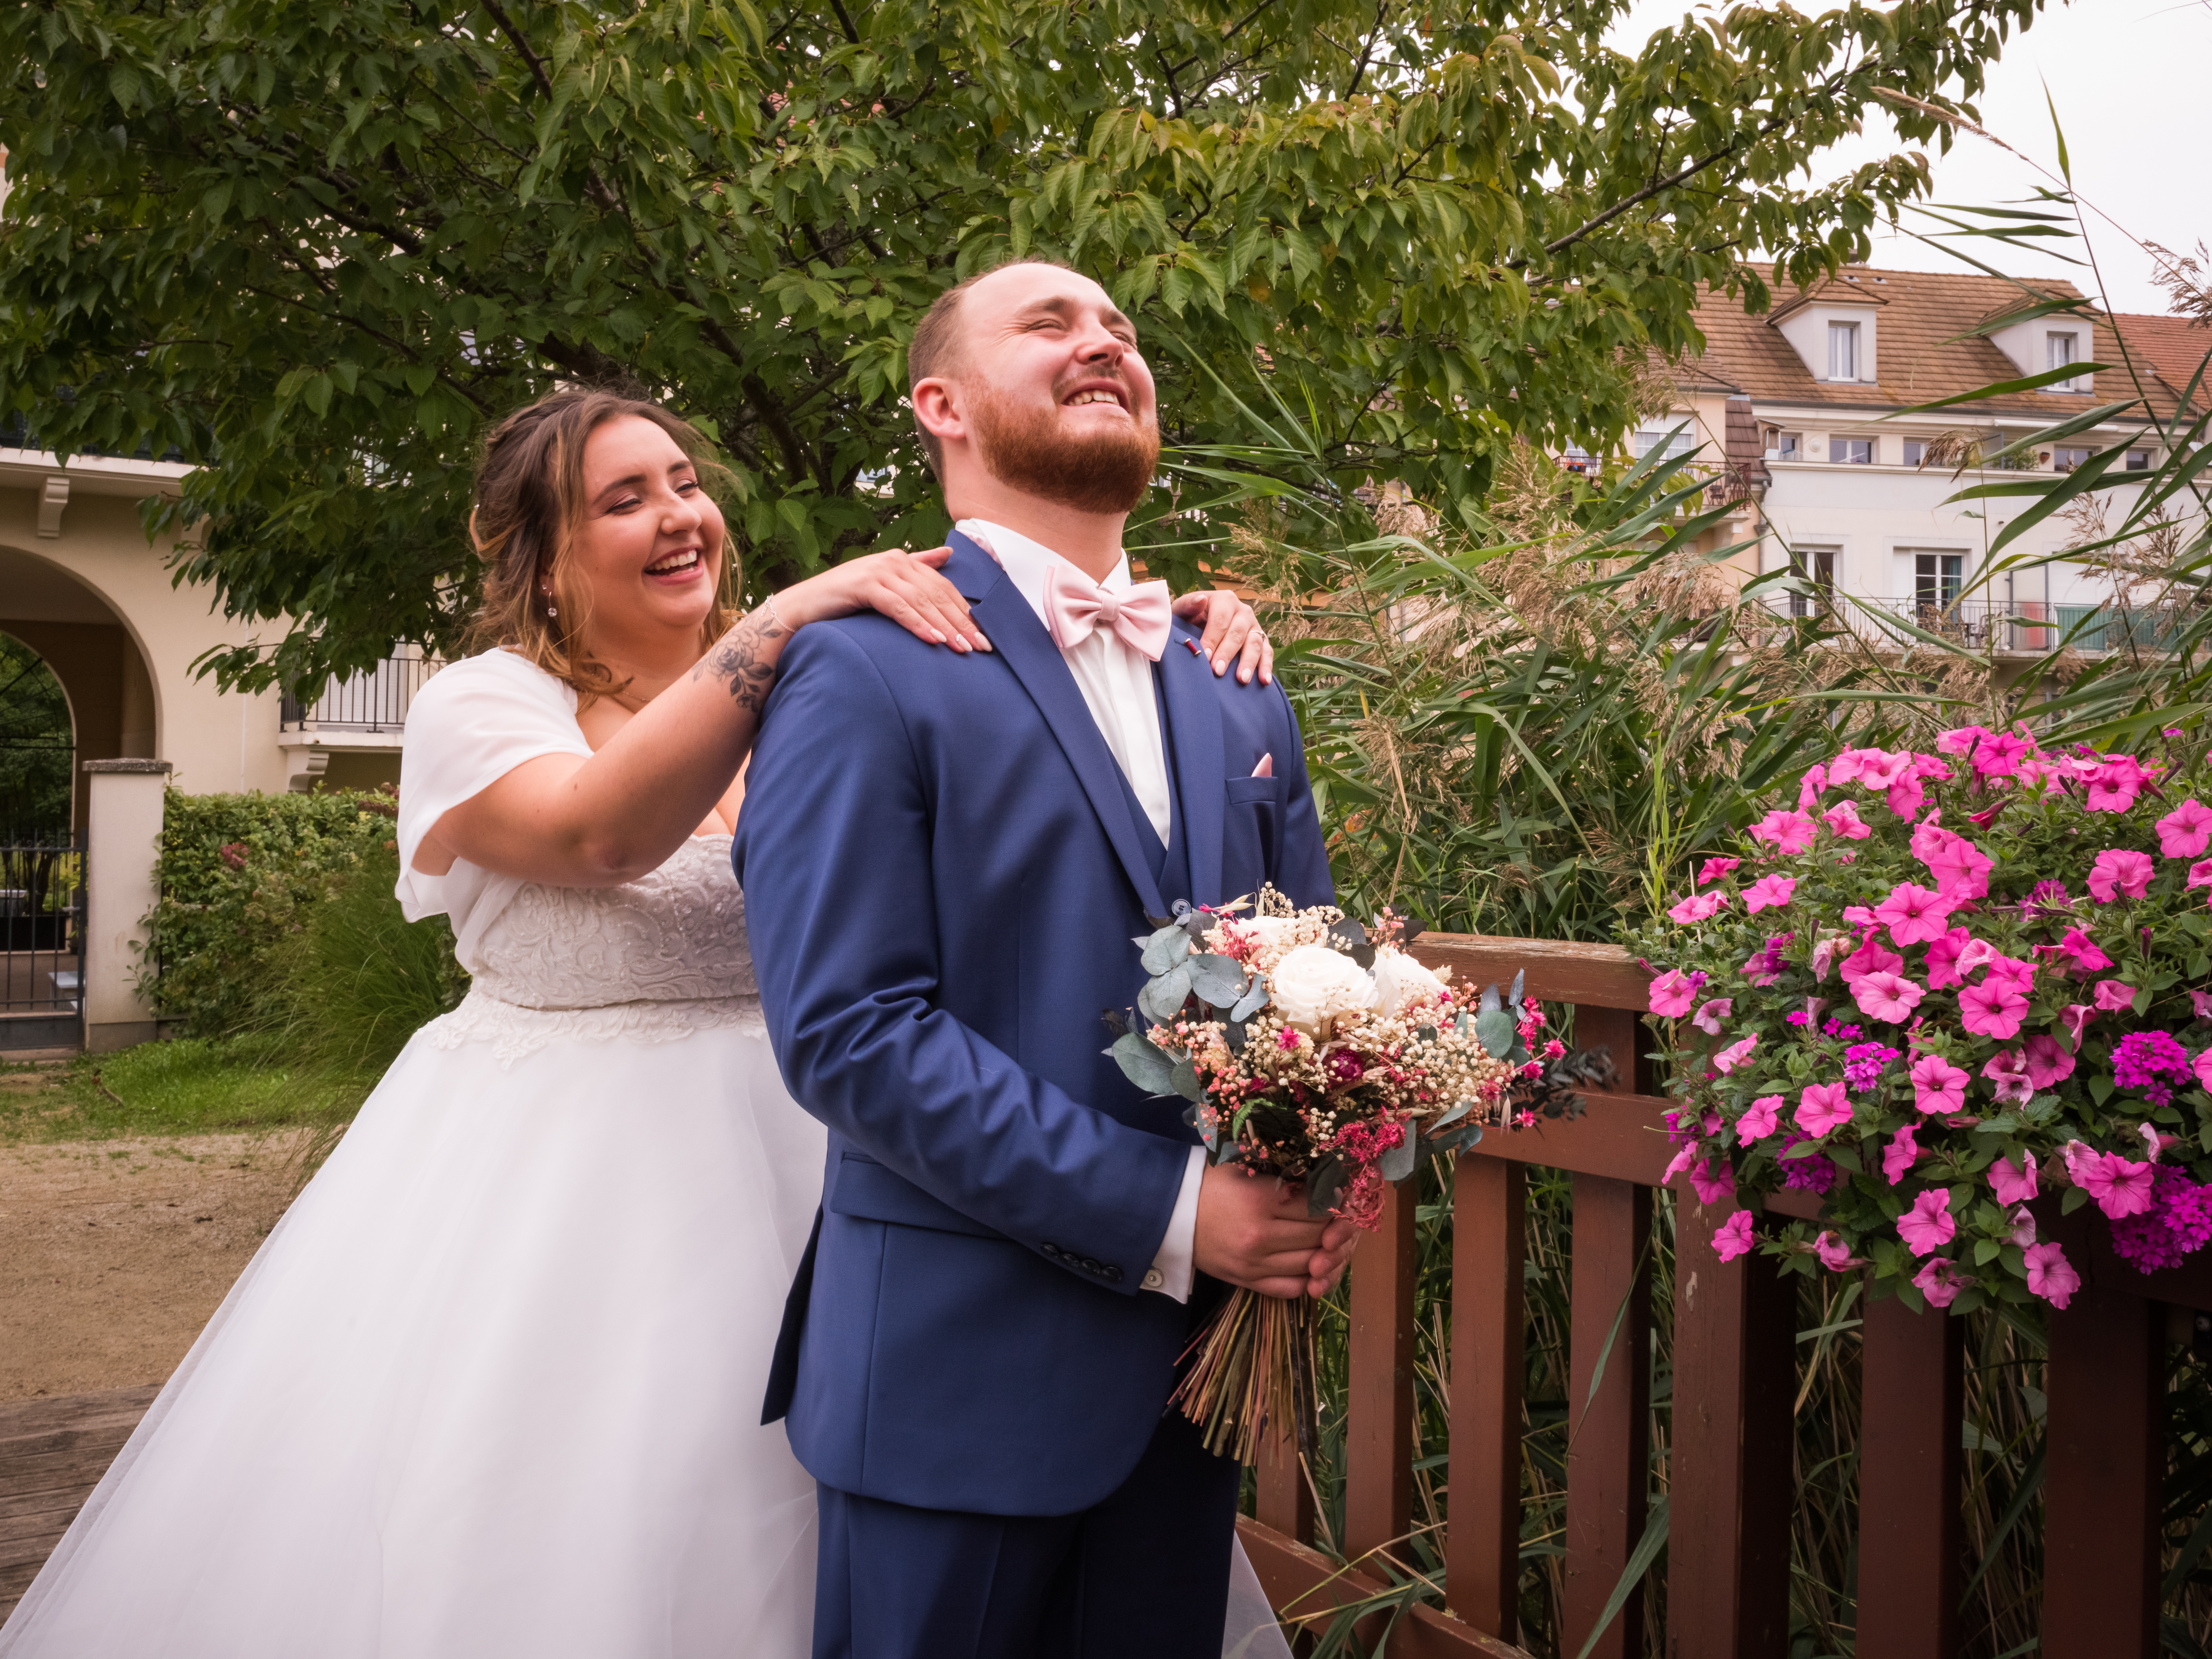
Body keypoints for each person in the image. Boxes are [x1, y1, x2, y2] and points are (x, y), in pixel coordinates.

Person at [0, 386, 1279, 1658]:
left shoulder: (828, 688)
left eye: (682, 482)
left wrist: (1167, 643)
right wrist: (782, 615)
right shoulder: (483, 704)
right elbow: (600, 830)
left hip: (845, 1155)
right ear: (543, 565)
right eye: (625, 500)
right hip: (566, 1183)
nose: (680, 517)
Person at [737, 256, 1356, 1659]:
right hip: (952, 1390)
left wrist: (1329, 1156)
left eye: (1121, 332)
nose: (1102, 344)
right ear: (939, 405)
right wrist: (1179, 1211)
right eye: (1050, 324)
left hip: (1187, 1397)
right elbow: (850, 1032)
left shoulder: (1228, 674)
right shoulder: (859, 667)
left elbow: (1312, 975)